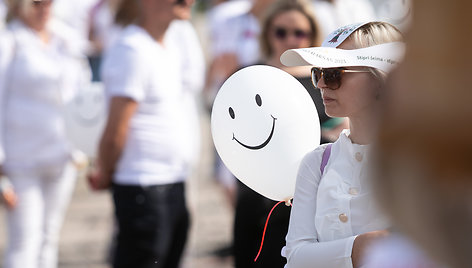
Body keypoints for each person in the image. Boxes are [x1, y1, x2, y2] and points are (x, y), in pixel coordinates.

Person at [279, 21, 404, 268]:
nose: (322, 84)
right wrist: (358, 248)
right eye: (319, 73)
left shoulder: (416, 160)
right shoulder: (316, 162)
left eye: (336, 74)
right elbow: (294, 257)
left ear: (380, 78)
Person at [87, 0, 200, 267]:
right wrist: (104, 170)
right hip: (142, 186)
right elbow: (117, 127)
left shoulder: (166, 44)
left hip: (171, 182)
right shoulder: (132, 49)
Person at [232, 1, 322, 267]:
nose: (290, 39)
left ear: (312, 35)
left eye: (299, 33)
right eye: (281, 32)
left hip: (311, 203)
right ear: (267, 33)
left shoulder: (327, 80)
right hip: (253, 199)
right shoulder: (247, 77)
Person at [0, 0, 85, 267]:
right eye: (37, 2)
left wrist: (82, 145)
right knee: (24, 243)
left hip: (61, 155)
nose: (44, 8)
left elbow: (80, 95)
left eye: (49, 2)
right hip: (20, 160)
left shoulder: (65, 39)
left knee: (49, 239)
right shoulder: (9, 41)